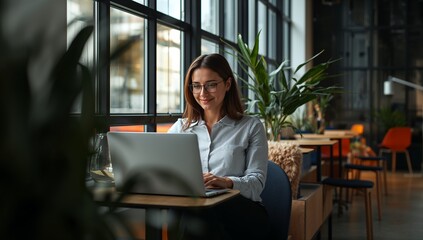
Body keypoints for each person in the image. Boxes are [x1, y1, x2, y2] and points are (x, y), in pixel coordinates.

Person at [168, 53, 269, 240]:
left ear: (228, 84)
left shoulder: (251, 126)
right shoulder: (180, 128)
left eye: (211, 85)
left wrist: (227, 182)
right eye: (196, 86)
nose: (203, 93)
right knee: (190, 212)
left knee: (200, 212)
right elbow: (163, 170)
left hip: (242, 212)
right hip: (195, 210)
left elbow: (257, 184)